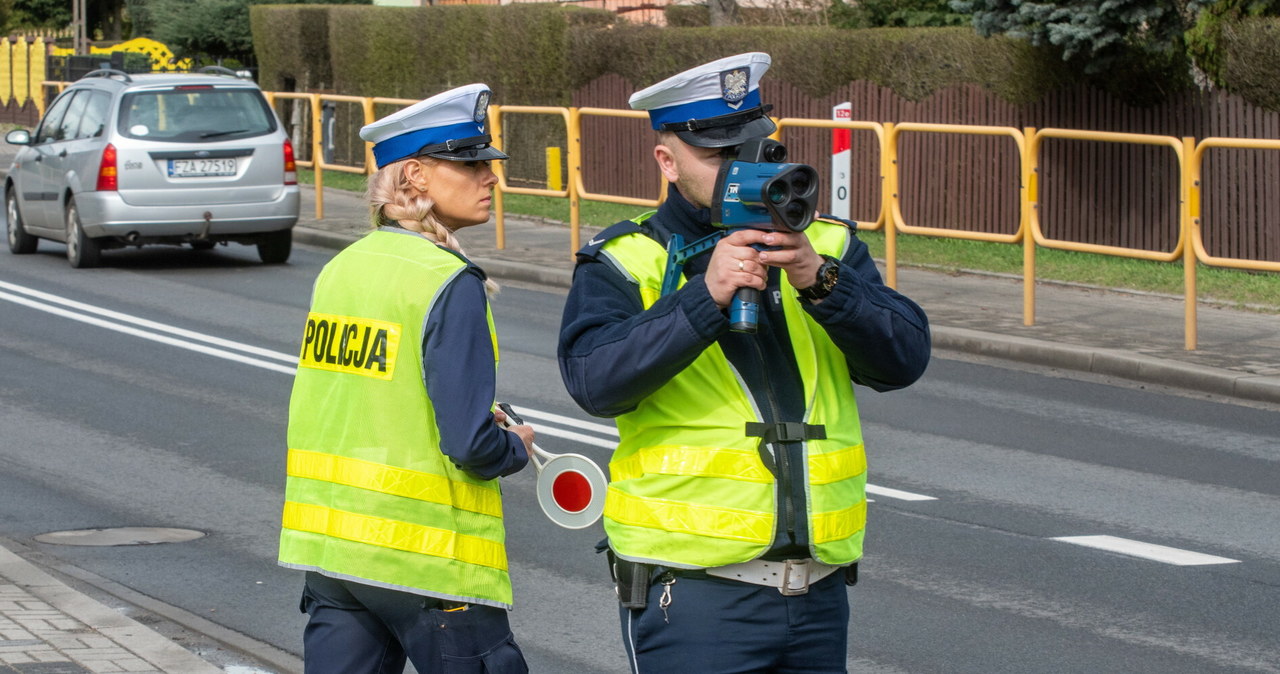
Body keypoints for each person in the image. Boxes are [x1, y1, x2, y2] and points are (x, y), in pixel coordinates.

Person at [557, 53, 931, 673]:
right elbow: (595, 381)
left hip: (818, 590)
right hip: (695, 592)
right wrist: (703, 299)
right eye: (719, 156)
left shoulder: (827, 247)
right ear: (667, 160)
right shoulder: (630, 258)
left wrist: (820, 280)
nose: (742, 169)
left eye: (756, 149)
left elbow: (903, 360)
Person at [278, 83, 534, 674]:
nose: (490, 177)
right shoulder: (449, 280)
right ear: (415, 177)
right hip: (428, 563)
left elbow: (366, 397)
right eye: (471, 164)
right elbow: (470, 444)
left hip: (337, 557)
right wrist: (513, 448)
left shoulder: (341, 268)